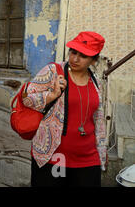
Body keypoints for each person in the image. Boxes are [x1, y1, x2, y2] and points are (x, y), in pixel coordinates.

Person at [24, 31, 107, 187]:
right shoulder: (53, 71)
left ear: (94, 59)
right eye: (73, 52)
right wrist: (53, 94)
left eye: (82, 56)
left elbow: (98, 119)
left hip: (88, 158)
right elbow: (27, 100)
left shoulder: (96, 82)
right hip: (55, 156)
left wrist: (102, 149)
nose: (75, 59)